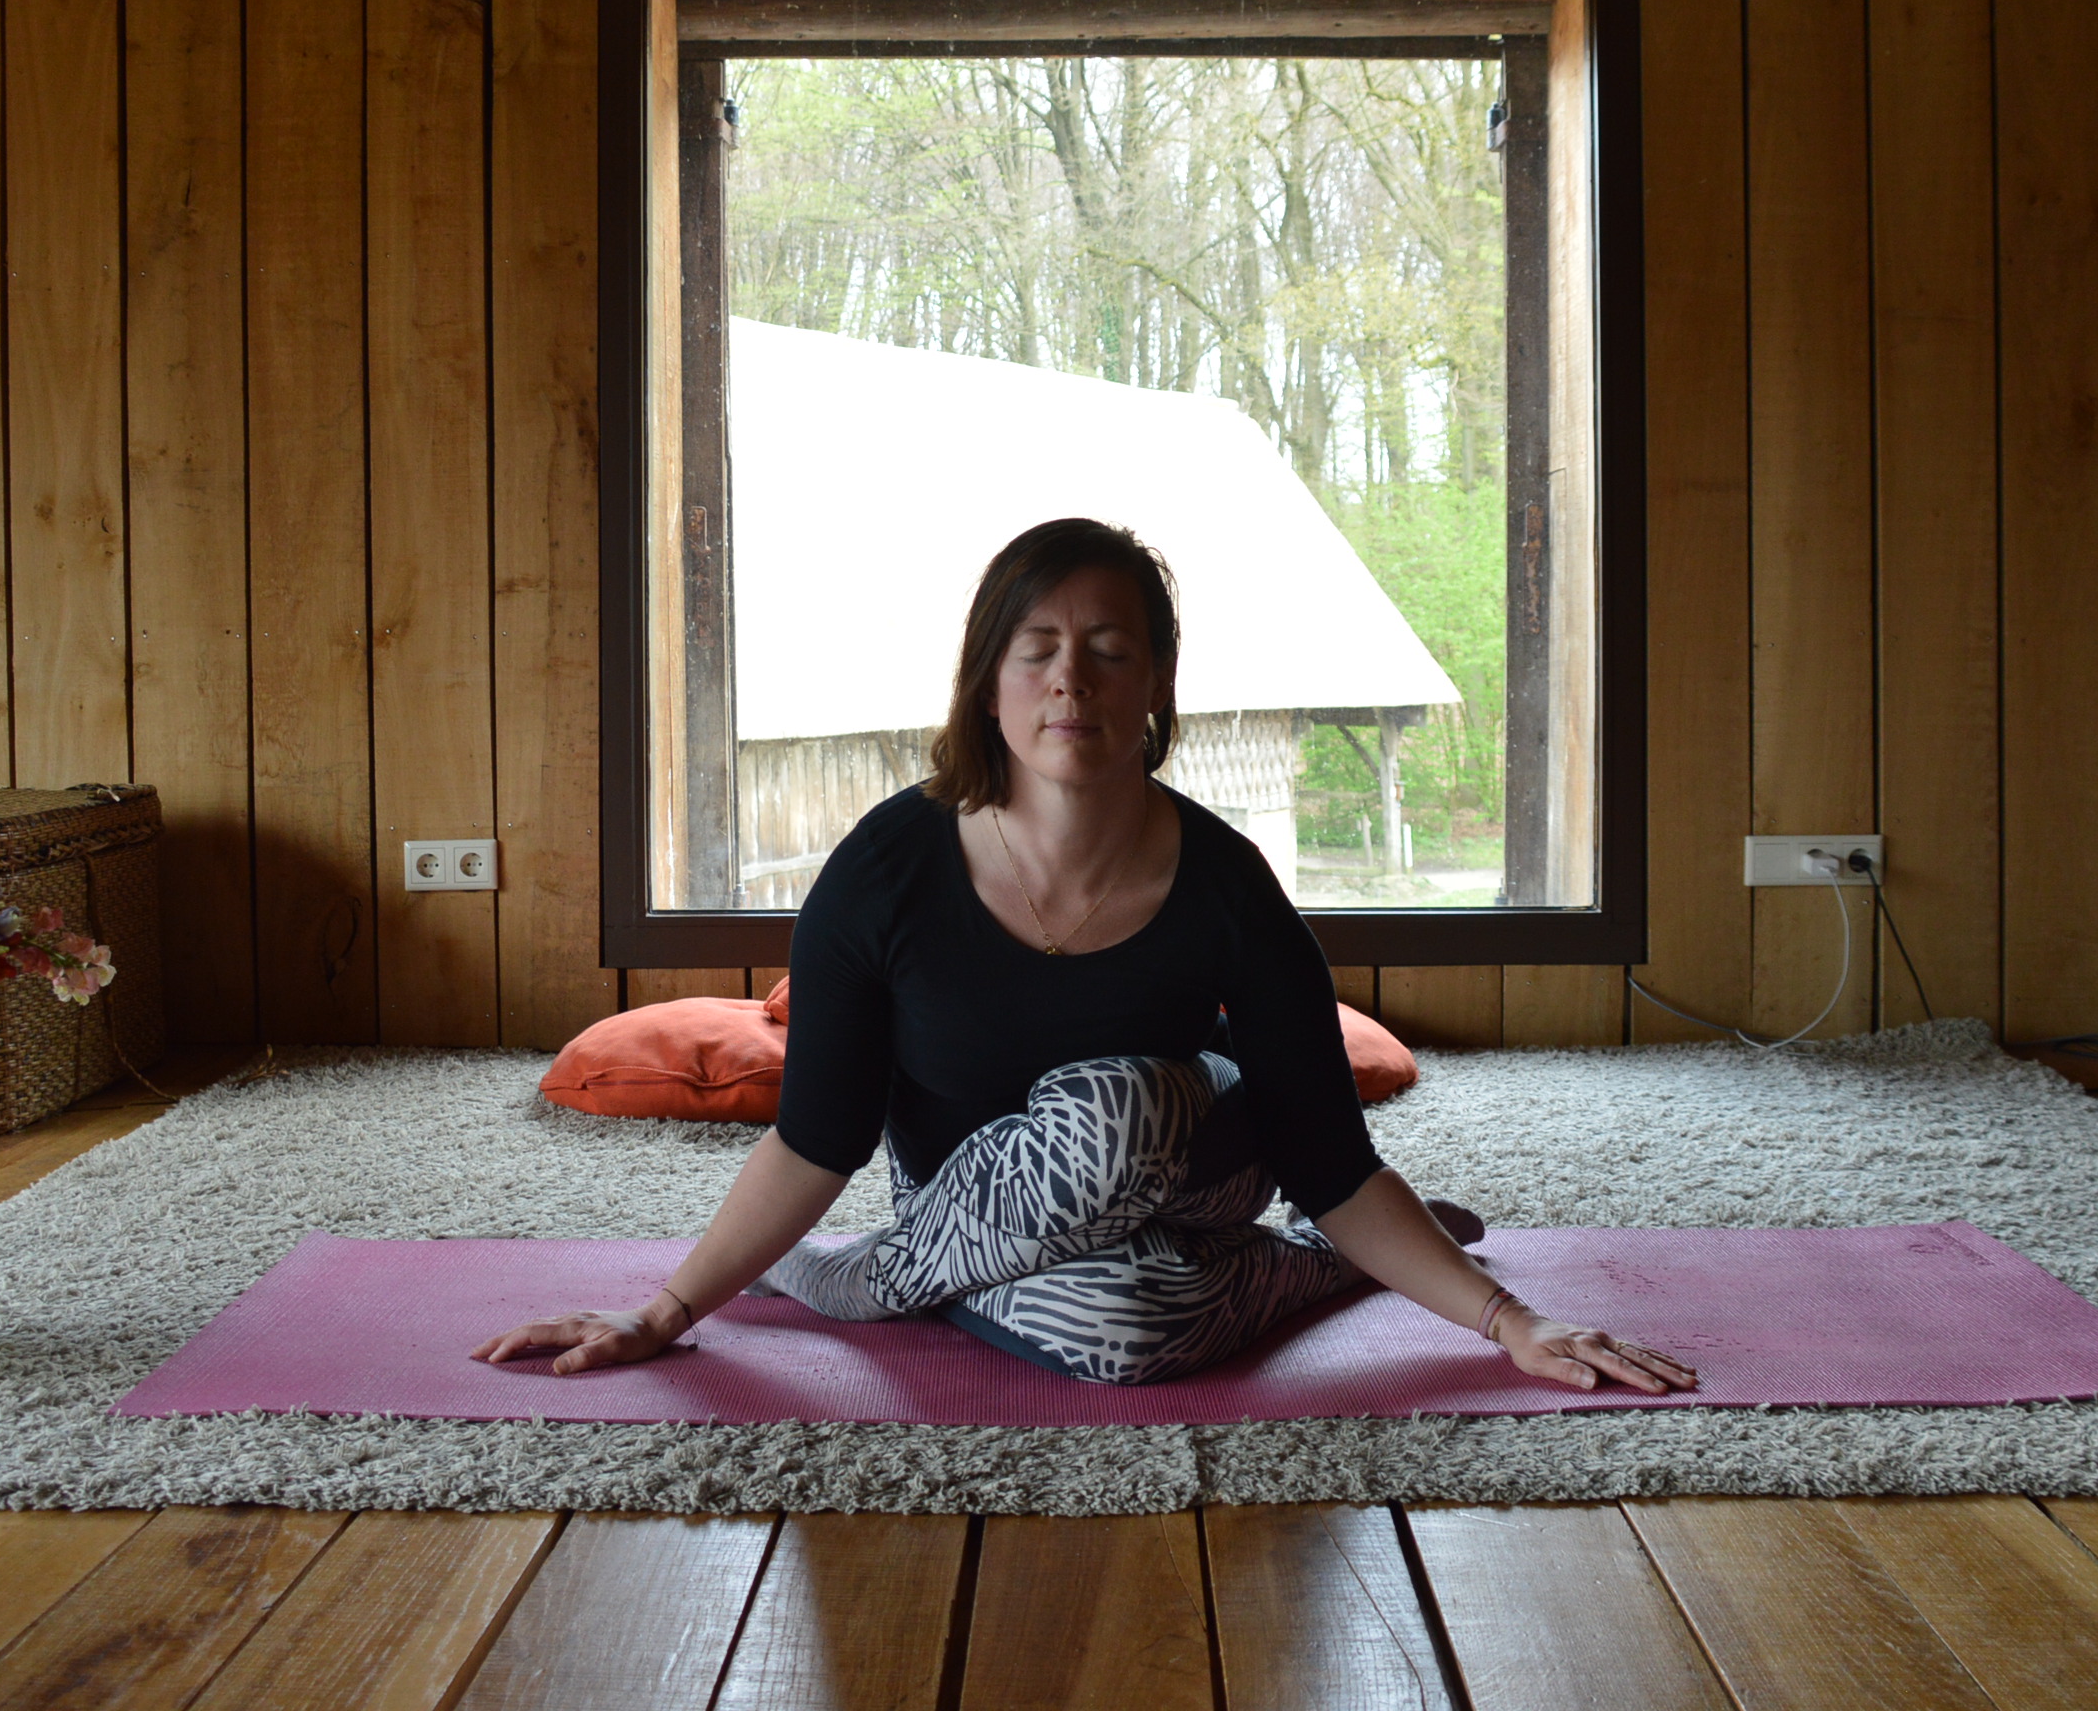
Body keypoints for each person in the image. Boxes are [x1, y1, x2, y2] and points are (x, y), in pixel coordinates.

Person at [477, 519, 1697, 1394]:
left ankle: (859, 1279)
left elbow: (1324, 1154)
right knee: (1121, 1327)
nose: (1071, 677)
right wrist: (662, 1311)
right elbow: (816, 1139)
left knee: (1113, 1110)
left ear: (1155, 681)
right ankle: (1307, 1274)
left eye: (1110, 646)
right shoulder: (887, 868)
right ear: (988, 685)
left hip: (1191, 1165)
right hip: (980, 1213)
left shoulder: (1224, 880)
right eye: (1038, 646)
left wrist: (1511, 1322)